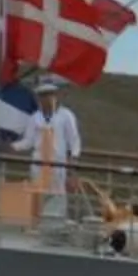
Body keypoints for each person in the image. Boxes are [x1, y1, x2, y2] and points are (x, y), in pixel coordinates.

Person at [25, 77, 81, 206]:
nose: (46, 99)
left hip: (57, 164)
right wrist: (13, 146)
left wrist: (72, 167)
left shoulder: (66, 116)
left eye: (49, 95)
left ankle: (55, 223)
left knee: (57, 198)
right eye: (43, 96)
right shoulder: (35, 118)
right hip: (38, 163)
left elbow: (74, 142)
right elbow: (28, 141)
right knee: (37, 197)